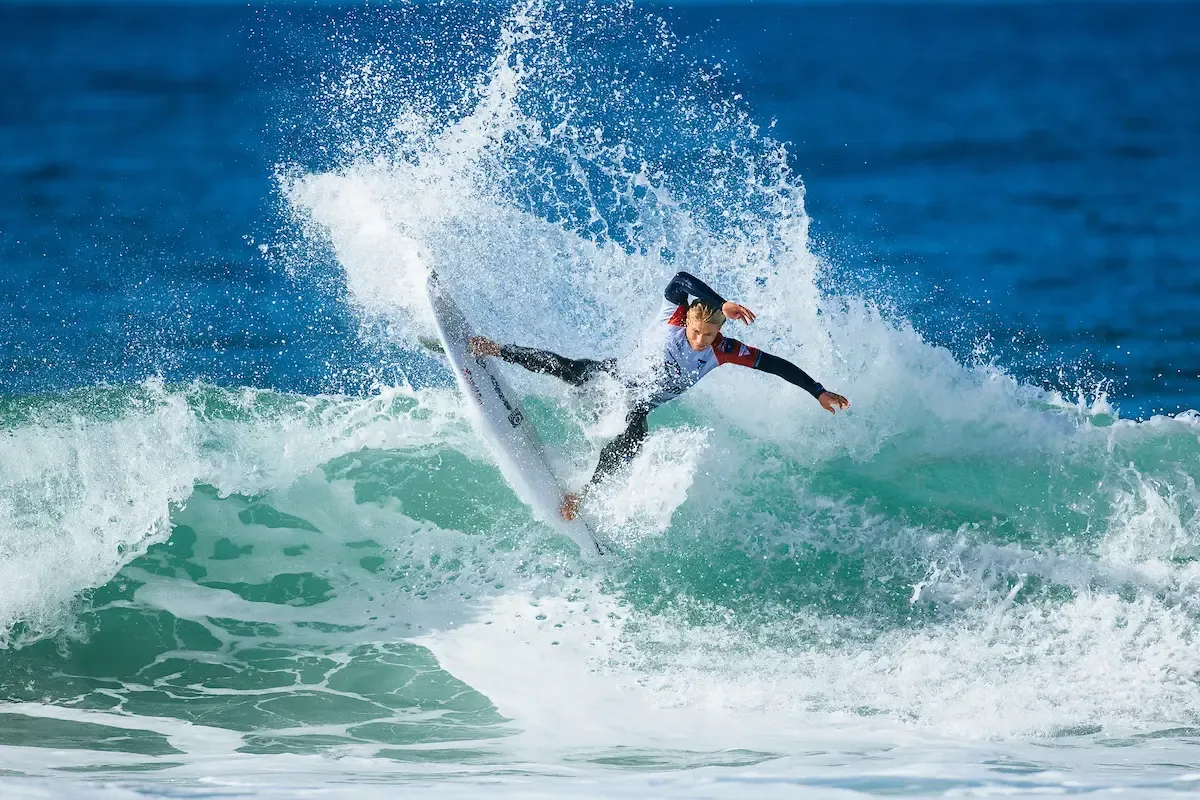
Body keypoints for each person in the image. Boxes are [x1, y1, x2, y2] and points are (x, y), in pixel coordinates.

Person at [470, 271, 850, 520]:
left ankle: (581, 494)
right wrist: (720, 303)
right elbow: (681, 279)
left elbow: (775, 364)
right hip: (615, 379)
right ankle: (494, 349)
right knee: (570, 369)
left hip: (637, 403)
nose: (701, 340)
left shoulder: (723, 350)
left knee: (635, 436)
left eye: (709, 335)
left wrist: (817, 391)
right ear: (687, 320)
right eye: (697, 331)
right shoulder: (673, 316)